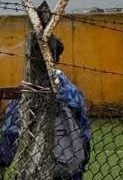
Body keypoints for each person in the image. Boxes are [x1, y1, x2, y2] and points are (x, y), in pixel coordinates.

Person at [0, 36, 91, 179]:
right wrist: (82, 160)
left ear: (29, 59)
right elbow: (84, 131)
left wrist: (4, 160)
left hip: (32, 166)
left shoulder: (26, 94)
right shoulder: (72, 93)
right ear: (58, 59)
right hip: (68, 165)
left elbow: (11, 131)